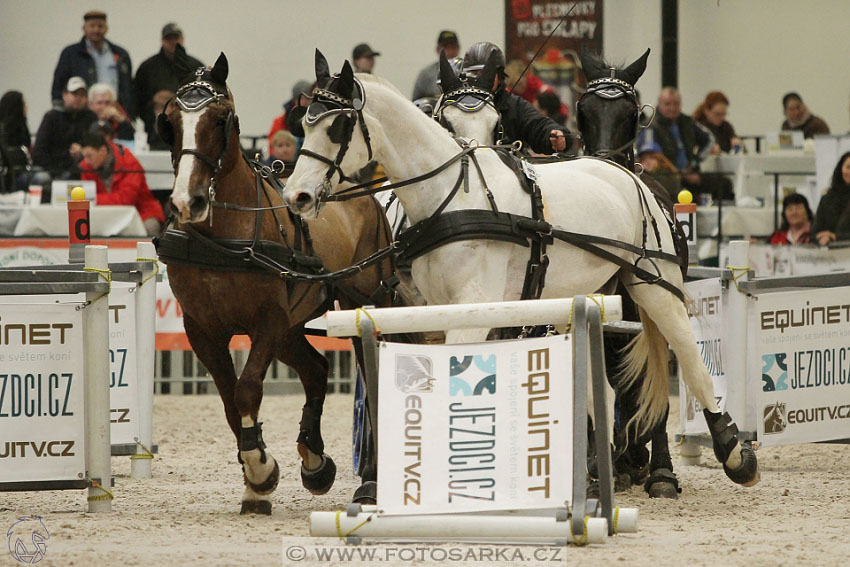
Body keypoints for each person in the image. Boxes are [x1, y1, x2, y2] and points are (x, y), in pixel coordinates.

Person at [462, 42, 572, 154]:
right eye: (474, 73)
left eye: (486, 73)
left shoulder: (513, 105)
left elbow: (537, 125)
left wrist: (555, 135)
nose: (480, 78)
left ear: (499, 75)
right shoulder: (456, 106)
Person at [636, 87, 732, 200]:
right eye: (667, 104)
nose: (672, 108)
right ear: (659, 104)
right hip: (667, 178)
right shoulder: (650, 126)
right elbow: (651, 155)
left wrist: (694, 163)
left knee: (725, 184)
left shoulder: (688, 122)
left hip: (690, 174)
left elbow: (709, 140)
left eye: (676, 104)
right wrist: (679, 174)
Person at [79, 131, 165, 236]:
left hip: (141, 212)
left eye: (89, 156)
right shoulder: (87, 166)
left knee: (150, 227)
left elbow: (126, 200)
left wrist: (94, 199)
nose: (86, 161)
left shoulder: (130, 163)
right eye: (84, 156)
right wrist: (91, 199)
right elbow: (87, 197)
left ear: (102, 151)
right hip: (104, 215)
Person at [51, 10, 134, 118]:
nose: (96, 30)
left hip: (114, 113)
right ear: (84, 28)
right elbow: (58, 85)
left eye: (100, 26)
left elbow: (128, 87)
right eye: (92, 26)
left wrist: (128, 112)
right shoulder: (70, 54)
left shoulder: (120, 54)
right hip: (81, 115)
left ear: (106, 29)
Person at [135, 23, 204, 150]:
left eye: (176, 38)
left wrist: (174, 101)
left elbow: (203, 98)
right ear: (162, 41)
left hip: (189, 129)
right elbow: (137, 99)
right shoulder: (147, 67)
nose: (173, 42)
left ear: (182, 39)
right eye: (169, 39)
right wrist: (154, 106)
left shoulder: (196, 67)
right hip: (154, 132)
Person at [32, 77, 98, 180]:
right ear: (64, 95)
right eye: (75, 94)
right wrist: (54, 170)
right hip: (52, 169)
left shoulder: (91, 118)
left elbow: (97, 146)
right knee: (42, 178)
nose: (78, 98)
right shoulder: (51, 117)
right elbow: (39, 151)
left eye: (82, 95)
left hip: (80, 168)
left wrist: (83, 151)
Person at [811, 151, 850, 246]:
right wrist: (823, 238)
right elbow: (814, 233)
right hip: (830, 256)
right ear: (840, 169)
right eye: (848, 167)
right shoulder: (827, 199)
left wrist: (835, 237)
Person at [412, 30, 461, 100]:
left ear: (458, 49)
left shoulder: (466, 72)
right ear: (437, 50)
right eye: (446, 48)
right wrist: (433, 98)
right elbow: (415, 102)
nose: (450, 52)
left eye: (453, 47)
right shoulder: (426, 74)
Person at [0, 91, 32, 192]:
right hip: (13, 173)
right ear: (17, 107)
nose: (26, 107)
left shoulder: (22, 128)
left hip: (21, 170)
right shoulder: (4, 131)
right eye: (23, 104)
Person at [268, 80, 313, 151]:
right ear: (294, 100)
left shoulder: (318, 119)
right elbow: (272, 147)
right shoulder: (280, 122)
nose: (304, 102)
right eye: (301, 98)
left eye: (307, 98)